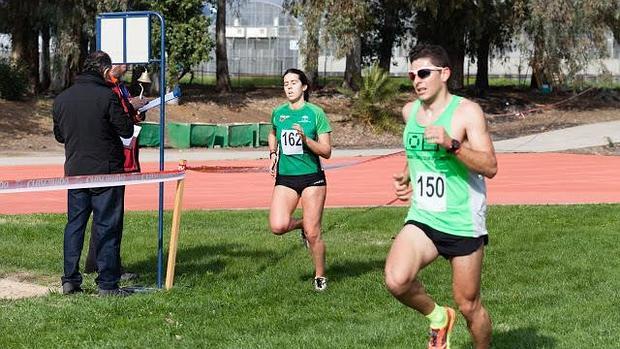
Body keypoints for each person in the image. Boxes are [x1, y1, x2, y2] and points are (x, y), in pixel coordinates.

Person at [384, 44, 497, 349]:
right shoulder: (410, 111)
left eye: (423, 73)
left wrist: (453, 145)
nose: (416, 80)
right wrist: (406, 175)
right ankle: (438, 317)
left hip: (462, 220)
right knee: (396, 279)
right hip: (424, 216)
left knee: (469, 304)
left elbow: (490, 166)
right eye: (411, 75)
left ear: (444, 74)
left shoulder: (466, 112)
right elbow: (415, 150)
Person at [53, 50, 134, 297]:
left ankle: (70, 280)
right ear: (104, 70)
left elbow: (59, 136)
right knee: (107, 225)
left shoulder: (62, 99)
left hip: (76, 171)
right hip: (106, 172)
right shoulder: (107, 96)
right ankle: (108, 284)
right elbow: (126, 130)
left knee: (75, 225)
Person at [268, 68, 332, 291]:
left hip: (312, 178)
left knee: (314, 234)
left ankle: (320, 275)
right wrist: (273, 153)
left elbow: (326, 151)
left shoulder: (316, 113)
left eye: (294, 82)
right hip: (285, 178)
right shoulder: (278, 113)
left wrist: (306, 140)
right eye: (285, 83)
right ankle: (302, 225)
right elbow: (273, 133)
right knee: (278, 226)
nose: (289, 87)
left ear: (304, 86)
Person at [83, 63, 146, 279]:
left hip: (118, 155)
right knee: (109, 215)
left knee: (108, 215)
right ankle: (107, 268)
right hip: (108, 157)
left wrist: (136, 111)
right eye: (123, 63)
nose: (127, 67)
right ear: (110, 67)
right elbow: (111, 119)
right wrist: (129, 106)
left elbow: (125, 117)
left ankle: (100, 262)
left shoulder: (119, 86)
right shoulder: (106, 90)